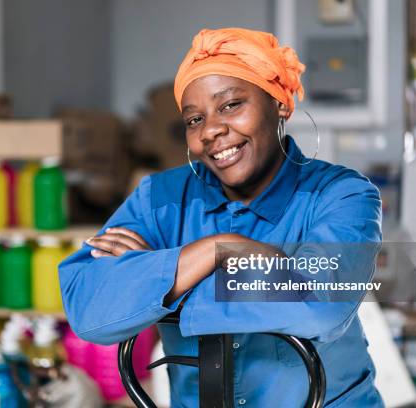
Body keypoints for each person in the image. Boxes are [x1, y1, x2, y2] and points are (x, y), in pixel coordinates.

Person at [59, 28, 383, 407]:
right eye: (194, 120)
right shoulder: (159, 198)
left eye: (231, 105)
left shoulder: (341, 195)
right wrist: (217, 251)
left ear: (279, 103)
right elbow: (88, 305)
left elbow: (321, 300)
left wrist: (160, 281)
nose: (211, 130)